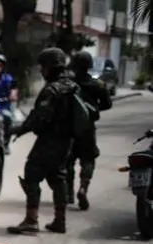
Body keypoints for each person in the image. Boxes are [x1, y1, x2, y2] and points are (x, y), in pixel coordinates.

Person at [7, 47, 80, 235]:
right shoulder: (72, 86)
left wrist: (19, 129)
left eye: (43, 66)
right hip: (67, 142)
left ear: (51, 67)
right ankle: (60, 220)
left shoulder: (52, 90)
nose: (41, 70)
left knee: (31, 174)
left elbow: (40, 118)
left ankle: (31, 220)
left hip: (50, 141)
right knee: (58, 177)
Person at [65, 51, 112, 210]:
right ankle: (83, 188)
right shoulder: (97, 85)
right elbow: (107, 104)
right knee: (88, 159)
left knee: (68, 161)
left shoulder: (67, 84)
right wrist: (92, 109)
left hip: (69, 128)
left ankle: (68, 193)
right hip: (87, 128)